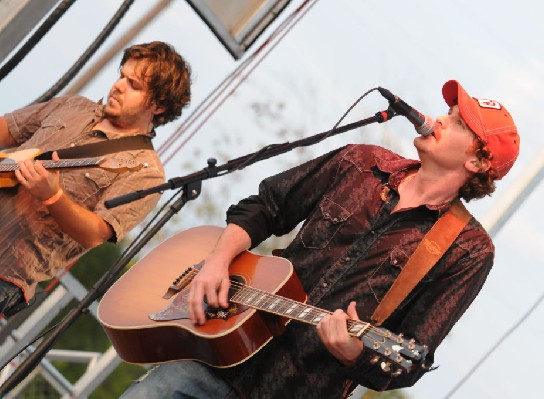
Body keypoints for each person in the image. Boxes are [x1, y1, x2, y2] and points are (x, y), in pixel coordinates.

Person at [120, 79, 520, 398]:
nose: (439, 119)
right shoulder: (361, 163)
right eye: (447, 112)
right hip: (214, 351)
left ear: (478, 161)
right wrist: (218, 261)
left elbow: (412, 356)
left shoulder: (467, 249)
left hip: (296, 387)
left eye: (458, 122)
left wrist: (355, 355)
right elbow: (266, 206)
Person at [0, 41, 192, 317]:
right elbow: (6, 129)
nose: (118, 86)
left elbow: (95, 234)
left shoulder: (146, 171)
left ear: (159, 105)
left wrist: (52, 196)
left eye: (134, 85)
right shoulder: (73, 106)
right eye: (121, 76)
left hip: (7, 271)